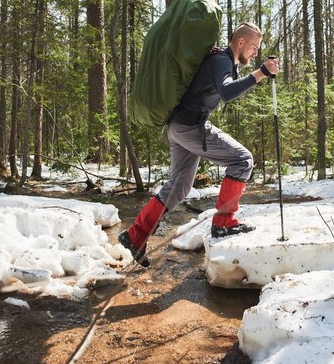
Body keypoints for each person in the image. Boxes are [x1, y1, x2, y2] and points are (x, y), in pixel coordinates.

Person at [118, 22, 280, 266]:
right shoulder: (222, 60)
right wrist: (261, 73)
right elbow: (226, 93)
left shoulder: (223, 61)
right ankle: (224, 223)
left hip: (179, 127)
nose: (256, 52)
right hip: (190, 127)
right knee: (243, 160)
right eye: (254, 47)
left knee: (179, 187)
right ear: (241, 42)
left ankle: (135, 235)